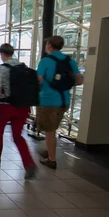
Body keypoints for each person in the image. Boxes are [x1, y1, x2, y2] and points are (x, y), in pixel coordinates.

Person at [0, 44, 38, 179]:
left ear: (2, 54)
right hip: (22, 107)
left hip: (6, 106)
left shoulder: (2, 69)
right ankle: (29, 163)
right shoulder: (24, 68)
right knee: (17, 136)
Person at [36, 36, 83, 168]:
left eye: (47, 44)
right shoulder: (70, 61)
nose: (46, 46)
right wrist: (63, 85)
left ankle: (51, 159)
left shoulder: (45, 61)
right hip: (64, 100)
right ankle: (50, 150)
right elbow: (79, 80)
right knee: (53, 128)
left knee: (50, 131)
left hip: (48, 101)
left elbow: (38, 80)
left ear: (50, 45)